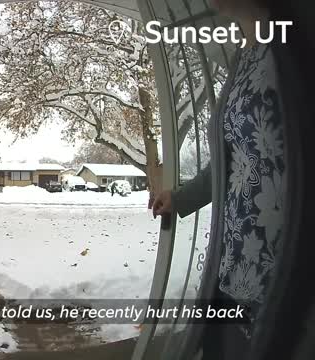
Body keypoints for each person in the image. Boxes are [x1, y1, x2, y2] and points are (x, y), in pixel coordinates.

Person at [150, 0, 285, 358]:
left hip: (284, 275)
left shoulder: (294, 47)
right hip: (232, 268)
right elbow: (234, 156)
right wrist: (182, 198)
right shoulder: (245, 53)